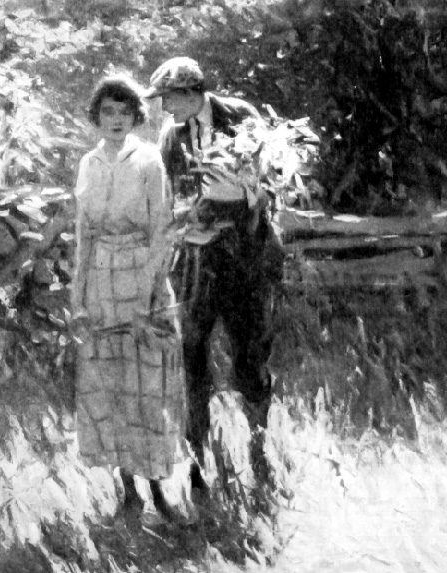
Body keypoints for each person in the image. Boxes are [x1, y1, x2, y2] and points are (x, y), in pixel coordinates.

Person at [143, 57, 285, 497]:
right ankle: (199, 461)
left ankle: (261, 455)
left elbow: (270, 181)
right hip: (199, 263)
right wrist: (187, 224)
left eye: (168, 99)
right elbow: (176, 195)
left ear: (190, 92)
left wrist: (242, 197)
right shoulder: (172, 137)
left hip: (248, 257)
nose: (165, 109)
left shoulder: (239, 116)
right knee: (192, 355)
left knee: (249, 357)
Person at [71, 74, 185, 523]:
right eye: (107, 113)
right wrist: (78, 302)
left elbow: (162, 231)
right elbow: (84, 235)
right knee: (109, 390)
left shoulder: (149, 160)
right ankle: (129, 493)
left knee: (147, 390)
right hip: (101, 283)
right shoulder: (89, 164)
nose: (116, 121)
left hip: (144, 278)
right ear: (96, 118)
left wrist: (147, 295)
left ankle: (161, 493)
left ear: (136, 117)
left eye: (124, 113)